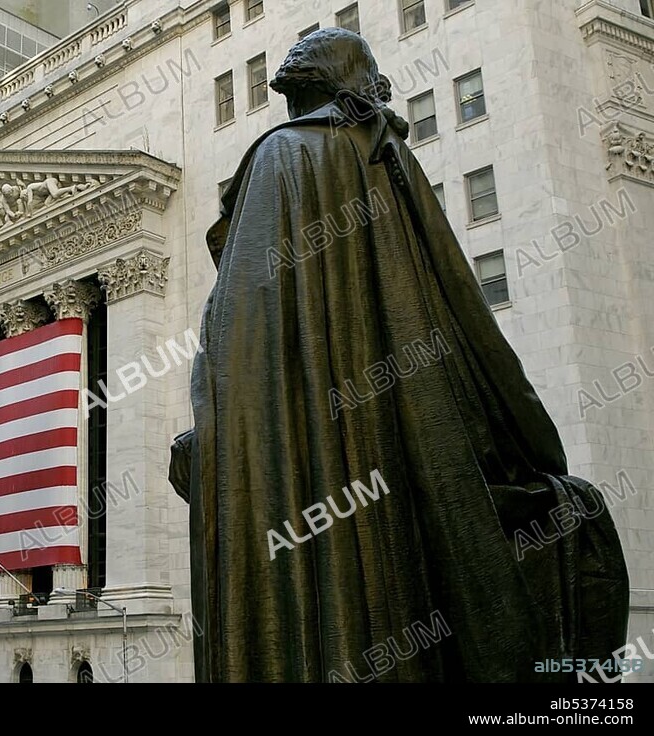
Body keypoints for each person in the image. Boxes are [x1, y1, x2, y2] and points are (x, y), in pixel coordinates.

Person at [173, 28, 628, 683]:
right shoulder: (387, 156)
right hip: (402, 435)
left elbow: (233, 330)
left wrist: (214, 430)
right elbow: (466, 311)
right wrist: (531, 444)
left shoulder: (283, 157)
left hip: (313, 466)